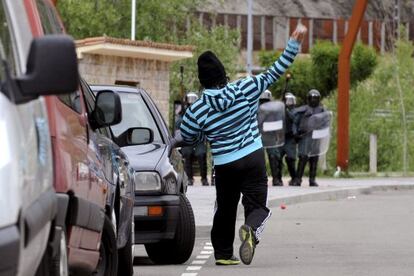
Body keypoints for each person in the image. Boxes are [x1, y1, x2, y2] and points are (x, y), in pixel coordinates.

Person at [180, 26, 306, 265]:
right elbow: (274, 72)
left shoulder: (197, 110)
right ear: (223, 75)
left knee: (225, 209)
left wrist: (203, 136)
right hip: (253, 157)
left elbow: (188, 136)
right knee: (257, 205)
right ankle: (250, 228)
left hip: (225, 165)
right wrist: (292, 46)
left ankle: (224, 254)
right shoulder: (245, 88)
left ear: (203, 82)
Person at [176, 92, 209, 186]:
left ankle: (204, 178)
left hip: (199, 140)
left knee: (201, 154)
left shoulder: (202, 111)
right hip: (187, 140)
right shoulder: (182, 113)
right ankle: (189, 178)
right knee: (187, 154)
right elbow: (178, 125)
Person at [294, 89, 325, 187]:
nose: (313, 100)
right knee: (303, 158)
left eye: (315, 98)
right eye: (312, 98)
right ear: (308, 99)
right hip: (305, 137)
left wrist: (323, 132)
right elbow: (295, 122)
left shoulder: (322, 110)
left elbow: (326, 123)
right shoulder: (302, 110)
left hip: (316, 138)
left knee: (314, 158)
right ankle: (298, 179)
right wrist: (295, 133)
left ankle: (312, 180)